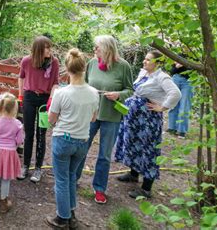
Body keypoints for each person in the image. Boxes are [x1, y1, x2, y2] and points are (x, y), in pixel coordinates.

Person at [75, 35, 134, 204]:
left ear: (107, 48)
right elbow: (84, 83)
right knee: (81, 147)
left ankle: (99, 188)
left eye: (97, 47)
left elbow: (130, 90)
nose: (94, 50)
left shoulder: (123, 66)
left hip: (111, 117)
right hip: (91, 114)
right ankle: (74, 179)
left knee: (104, 155)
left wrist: (118, 95)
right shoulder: (93, 63)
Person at [115, 50, 181, 198]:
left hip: (148, 121)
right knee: (134, 144)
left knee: (148, 150)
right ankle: (133, 174)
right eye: (144, 59)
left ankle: (146, 188)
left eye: (148, 60)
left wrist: (163, 107)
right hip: (135, 119)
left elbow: (176, 93)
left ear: (157, 63)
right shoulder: (144, 73)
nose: (144, 61)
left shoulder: (162, 77)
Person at [46, 49, 99, 229]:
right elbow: (93, 118)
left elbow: (51, 119)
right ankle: (71, 212)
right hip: (82, 141)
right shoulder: (93, 93)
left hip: (63, 139)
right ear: (84, 68)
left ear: (67, 69)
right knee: (70, 177)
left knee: (61, 179)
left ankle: (62, 218)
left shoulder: (61, 93)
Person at [18, 36, 60, 183]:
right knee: (28, 133)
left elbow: (55, 83)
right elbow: (21, 78)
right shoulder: (26, 61)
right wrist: (21, 96)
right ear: (39, 49)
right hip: (29, 97)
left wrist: (51, 99)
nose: (50, 50)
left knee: (41, 134)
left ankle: (38, 168)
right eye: (47, 47)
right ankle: (25, 166)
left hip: (44, 99)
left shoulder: (53, 62)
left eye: (50, 47)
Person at [0, 92, 25, 213]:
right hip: (10, 153)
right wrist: (13, 144)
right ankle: (3, 202)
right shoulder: (18, 124)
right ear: (15, 108)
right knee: (6, 179)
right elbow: (20, 140)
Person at [167, 59, 193, 138]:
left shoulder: (193, 55)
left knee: (185, 105)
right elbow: (172, 72)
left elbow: (194, 71)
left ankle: (182, 131)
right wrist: (177, 66)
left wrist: (184, 65)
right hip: (176, 79)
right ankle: (172, 127)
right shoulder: (177, 55)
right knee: (174, 103)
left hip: (188, 81)